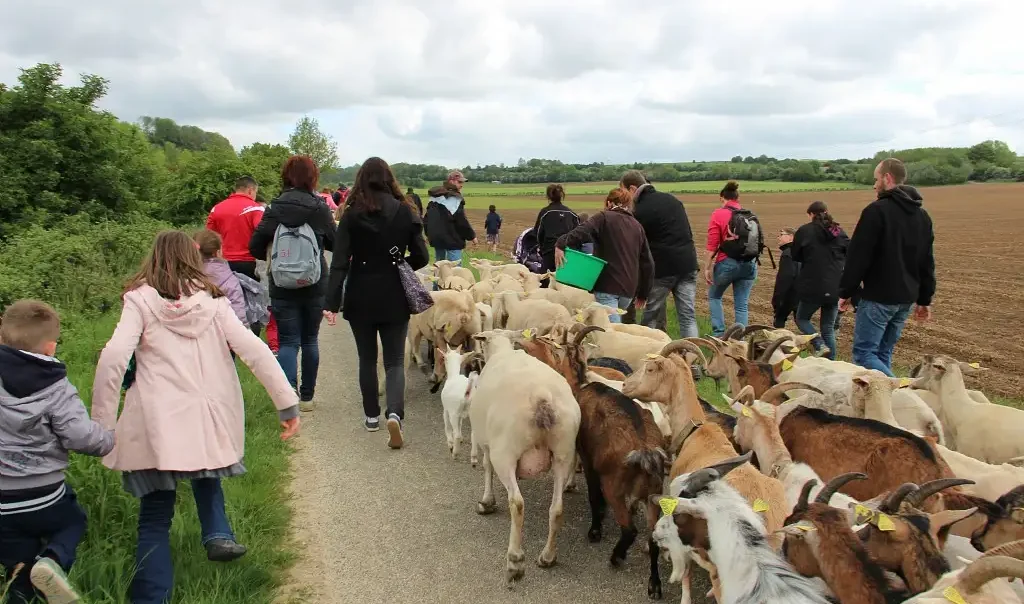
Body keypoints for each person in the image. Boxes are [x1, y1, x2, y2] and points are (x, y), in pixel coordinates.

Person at [90, 230, 300, 604]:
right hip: (205, 414)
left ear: (152, 259)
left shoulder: (138, 301)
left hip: (153, 421)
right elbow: (253, 348)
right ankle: (217, 534)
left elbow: (113, 357)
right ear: (195, 261)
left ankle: (152, 599)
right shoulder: (213, 302)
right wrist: (286, 403)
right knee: (206, 467)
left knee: (154, 519)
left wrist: (102, 425)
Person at [0, 300, 115, 604]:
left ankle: (22, 586)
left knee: (17, 570)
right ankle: (52, 560)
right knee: (72, 521)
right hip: (45, 496)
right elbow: (81, 437)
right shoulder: (55, 386)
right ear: (51, 347)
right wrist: (109, 439)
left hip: (1, 507)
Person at [324, 157, 429, 445]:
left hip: (360, 293)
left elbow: (340, 262)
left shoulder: (351, 214)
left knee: (367, 358)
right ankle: (394, 414)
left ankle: (371, 416)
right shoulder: (406, 211)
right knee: (395, 360)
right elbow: (423, 256)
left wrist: (331, 302)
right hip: (395, 292)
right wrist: (400, 262)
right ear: (388, 179)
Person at [249, 156, 336, 411]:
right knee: (310, 340)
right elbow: (336, 242)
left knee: (288, 341)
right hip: (315, 282)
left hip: (282, 283)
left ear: (286, 176)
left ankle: (289, 397)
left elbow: (254, 246)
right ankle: (308, 397)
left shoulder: (274, 208)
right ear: (313, 177)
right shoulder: (319, 207)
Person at [839, 158, 935, 376]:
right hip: (906, 300)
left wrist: (846, 291)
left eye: (876, 179)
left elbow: (858, 256)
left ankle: (903, 393)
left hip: (879, 297)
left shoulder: (876, 211)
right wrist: (924, 299)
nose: (874, 185)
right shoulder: (922, 216)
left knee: (864, 355)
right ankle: (886, 406)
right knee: (882, 354)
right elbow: (927, 261)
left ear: (887, 178)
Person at [555, 189, 654, 323]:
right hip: (628, 291)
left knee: (611, 332)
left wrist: (560, 244)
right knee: (615, 328)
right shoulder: (637, 226)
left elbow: (580, 232)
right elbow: (647, 263)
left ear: (609, 203)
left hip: (608, 286)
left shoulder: (603, 217)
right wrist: (643, 293)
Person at [621, 170, 700, 337]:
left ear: (633, 188)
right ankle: (694, 361)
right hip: (688, 264)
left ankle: (648, 354)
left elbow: (637, 245)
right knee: (688, 317)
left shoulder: (640, 210)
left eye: (624, 191)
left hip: (662, 269)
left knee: (651, 315)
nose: (624, 196)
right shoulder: (672, 200)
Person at [791, 202, 850, 359]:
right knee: (828, 328)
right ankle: (831, 363)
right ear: (826, 212)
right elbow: (849, 253)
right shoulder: (837, 230)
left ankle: (818, 343)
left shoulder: (805, 231)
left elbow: (796, 255)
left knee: (802, 318)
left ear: (811, 214)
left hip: (812, 285)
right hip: (835, 286)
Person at [704, 181, 761, 337]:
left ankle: (719, 335)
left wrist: (707, 267)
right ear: (738, 198)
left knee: (715, 296)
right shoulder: (750, 215)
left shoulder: (718, 214)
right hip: (749, 264)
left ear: (722, 198)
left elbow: (712, 245)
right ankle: (740, 339)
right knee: (741, 304)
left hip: (727, 263)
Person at [206, 175, 265, 282]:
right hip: (248, 262)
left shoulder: (216, 209)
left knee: (226, 296)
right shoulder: (256, 208)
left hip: (223, 261)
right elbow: (262, 233)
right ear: (250, 190)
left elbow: (209, 236)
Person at [194, 229, 247, 326]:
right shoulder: (229, 278)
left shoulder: (187, 274)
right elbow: (238, 308)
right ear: (218, 252)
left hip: (195, 330)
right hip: (224, 330)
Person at [424, 170, 476, 264]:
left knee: (439, 266)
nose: (462, 185)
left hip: (437, 239)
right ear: (451, 181)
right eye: (459, 182)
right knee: (455, 270)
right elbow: (461, 221)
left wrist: (428, 234)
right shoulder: (455, 199)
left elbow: (427, 219)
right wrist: (472, 236)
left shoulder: (434, 197)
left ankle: (438, 279)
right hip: (452, 240)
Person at [534, 184, 580, 273]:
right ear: (562, 195)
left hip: (549, 251)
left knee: (545, 281)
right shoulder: (572, 213)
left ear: (548, 196)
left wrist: (542, 248)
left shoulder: (545, 212)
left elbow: (538, 233)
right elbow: (578, 234)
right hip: (568, 253)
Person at [771, 227, 800, 328]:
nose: (778, 237)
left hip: (789, 295)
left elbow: (785, 278)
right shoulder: (800, 251)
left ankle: (779, 340)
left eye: (781, 235)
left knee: (779, 321)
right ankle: (818, 341)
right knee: (802, 321)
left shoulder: (787, 253)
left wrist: (777, 299)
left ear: (791, 237)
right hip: (801, 294)